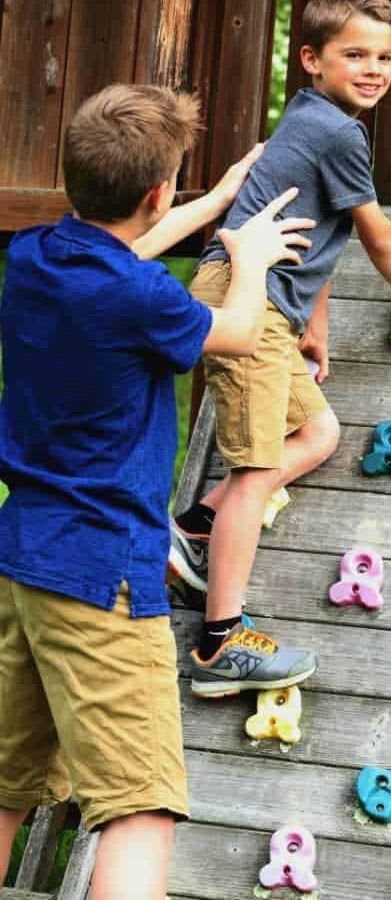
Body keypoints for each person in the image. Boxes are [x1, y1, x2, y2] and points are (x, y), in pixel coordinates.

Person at [0, 83, 314, 900]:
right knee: (139, 811)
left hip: (24, 558)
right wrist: (246, 259)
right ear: (155, 190)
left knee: (4, 788)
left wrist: (212, 201)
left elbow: (124, 251)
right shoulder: (143, 300)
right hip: (104, 575)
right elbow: (240, 334)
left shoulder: (34, 258)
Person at [169, 0, 391, 696]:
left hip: (265, 306)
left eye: (384, 56)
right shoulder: (339, 133)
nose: (373, 68)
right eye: (354, 53)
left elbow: (314, 232)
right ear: (310, 60)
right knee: (258, 470)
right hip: (245, 302)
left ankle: (201, 525)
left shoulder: (309, 118)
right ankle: (220, 641)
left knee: (318, 432)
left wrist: (312, 327)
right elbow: (374, 230)